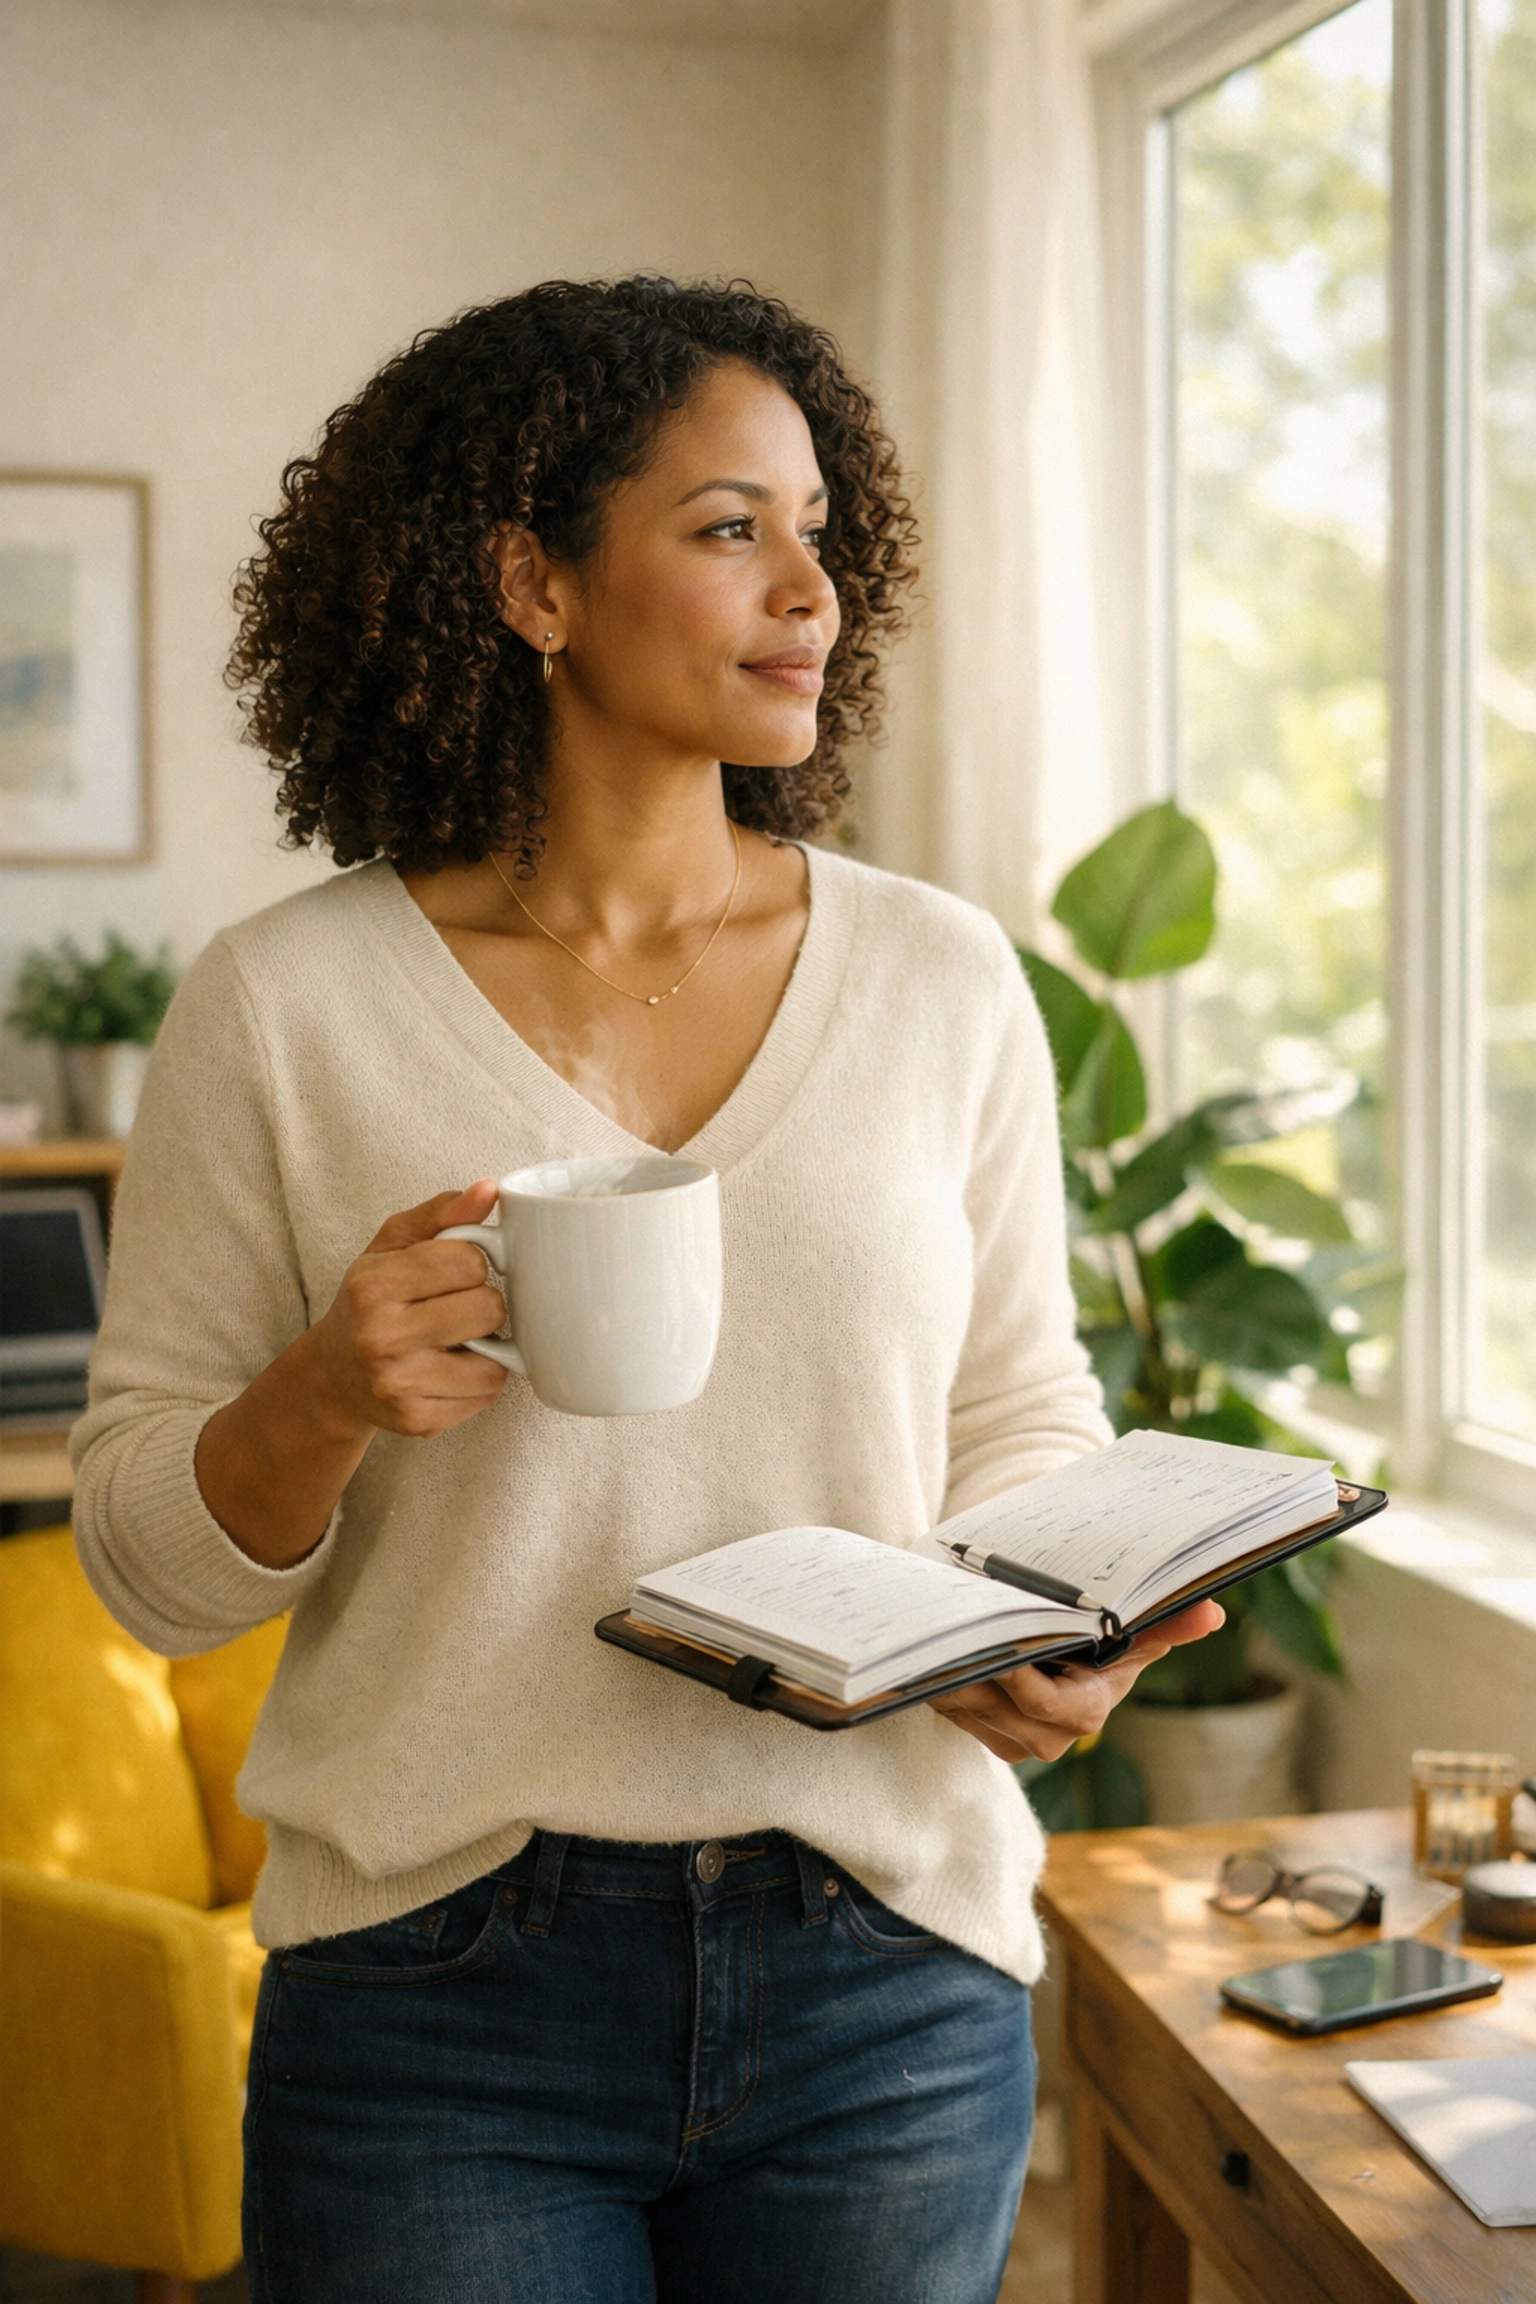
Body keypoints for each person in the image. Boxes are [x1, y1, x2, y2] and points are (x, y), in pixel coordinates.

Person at [72, 278, 1222, 2304]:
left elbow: (1019, 1405)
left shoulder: (944, 978)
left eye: (817, 530)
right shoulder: (283, 1007)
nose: (814, 589)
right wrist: (324, 1392)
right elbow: (153, 1567)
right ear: (530, 579)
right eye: (728, 529)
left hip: (885, 1961)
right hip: (437, 1996)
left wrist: (1053, 1630)